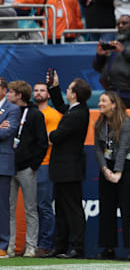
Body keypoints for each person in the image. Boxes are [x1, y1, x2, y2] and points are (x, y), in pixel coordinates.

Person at [46, 71, 91, 258]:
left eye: (69, 88)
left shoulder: (78, 114)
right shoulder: (75, 110)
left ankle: (77, 247)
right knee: (62, 209)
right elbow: (60, 106)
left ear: (75, 94)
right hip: (64, 168)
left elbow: (57, 135)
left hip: (69, 168)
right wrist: (54, 87)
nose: (67, 90)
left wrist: (50, 135)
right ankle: (60, 246)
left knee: (72, 209)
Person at [93, 91, 130, 259]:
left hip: (125, 168)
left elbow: (122, 149)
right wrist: (105, 169)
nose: (100, 103)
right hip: (108, 167)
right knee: (106, 209)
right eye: (99, 100)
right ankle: (108, 248)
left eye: (103, 101)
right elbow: (98, 149)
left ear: (114, 104)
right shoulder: (99, 123)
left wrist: (118, 172)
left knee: (128, 209)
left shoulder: (126, 122)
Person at [6, 80, 47, 258]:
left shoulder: (35, 115)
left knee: (31, 208)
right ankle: (9, 245)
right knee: (8, 208)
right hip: (8, 167)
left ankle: (31, 246)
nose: (7, 95)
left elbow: (42, 143)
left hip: (26, 168)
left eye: (10, 92)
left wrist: (33, 165)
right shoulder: (7, 112)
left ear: (19, 95)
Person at [32, 82, 62, 258]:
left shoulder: (52, 114)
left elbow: (49, 139)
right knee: (33, 207)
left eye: (42, 90)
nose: (38, 93)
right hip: (32, 164)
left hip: (46, 163)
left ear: (48, 95)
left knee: (44, 206)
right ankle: (33, 244)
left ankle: (45, 245)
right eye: (35, 90)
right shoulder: (32, 113)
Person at [0, 78, 20, 259]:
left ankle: (2, 245)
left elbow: (7, 132)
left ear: (5, 90)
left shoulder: (13, 109)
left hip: (2, 164)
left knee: (2, 207)